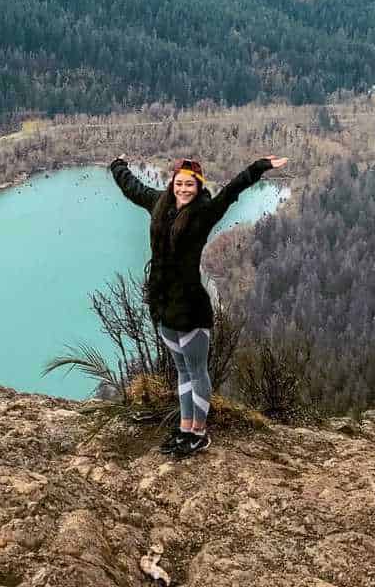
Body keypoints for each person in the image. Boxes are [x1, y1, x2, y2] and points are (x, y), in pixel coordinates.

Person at [109, 152, 288, 458]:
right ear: (172, 184)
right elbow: (132, 188)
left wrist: (260, 166)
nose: (183, 189)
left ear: (198, 186)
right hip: (163, 304)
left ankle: (199, 433)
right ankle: (185, 428)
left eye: (190, 184)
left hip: (191, 307)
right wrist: (118, 166)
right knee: (182, 370)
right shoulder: (159, 204)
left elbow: (232, 190)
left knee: (197, 371)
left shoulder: (205, 212)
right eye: (179, 183)